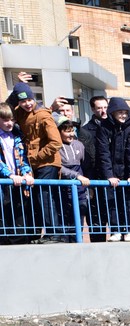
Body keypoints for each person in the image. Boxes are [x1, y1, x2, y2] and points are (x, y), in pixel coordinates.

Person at [10, 83, 64, 243]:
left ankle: (54, 234)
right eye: (22, 101)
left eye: (29, 100)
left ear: (33, 98)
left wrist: (36, 157)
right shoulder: (19, 113)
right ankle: (48, 233)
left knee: (45, 197)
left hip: (47, 163)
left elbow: (56, 143)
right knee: (39, 199)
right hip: (34, 165)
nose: (27, 104)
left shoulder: (43, 115)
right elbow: (7, 109)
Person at [94, 96, 130, 241]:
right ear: (112, 112)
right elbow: (103, 153)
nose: (123, 115)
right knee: (112, 201)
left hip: (126, 172)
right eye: (119, 112)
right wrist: (109, 175)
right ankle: (116, 230)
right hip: (111, 172)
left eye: (125, 113)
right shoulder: (103, 127)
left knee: (128, 201)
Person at [0, 104, 34, 244]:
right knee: (4, 215)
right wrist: (10, 175)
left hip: (17, 181)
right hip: (4, 182)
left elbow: (23, 159)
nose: (10, 123)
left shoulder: (17, 136)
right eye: (5, 120)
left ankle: (19, 242)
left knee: (19, 214)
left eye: (12, 120)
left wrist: (26, 173)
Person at [56, 114, 90, 242]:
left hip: (80, 189)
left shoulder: (79, 145)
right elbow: (59, 167)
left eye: (72, 131)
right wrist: (76, 175)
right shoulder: (56, 146)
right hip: (64, 188)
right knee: (65, 217)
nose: (71, 134)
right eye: (66, 131)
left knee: (79, 216)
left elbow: (84, 164)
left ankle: (77, 241)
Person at [80, 96, 109, 241]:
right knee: (96, 218)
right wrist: (90, 183)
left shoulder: (114, 126)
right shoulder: (85, 131)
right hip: (95, 180)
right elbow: (86, 160)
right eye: (99, 108)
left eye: (105, 107)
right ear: (92, 109)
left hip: (112, 178)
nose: (103, 111)